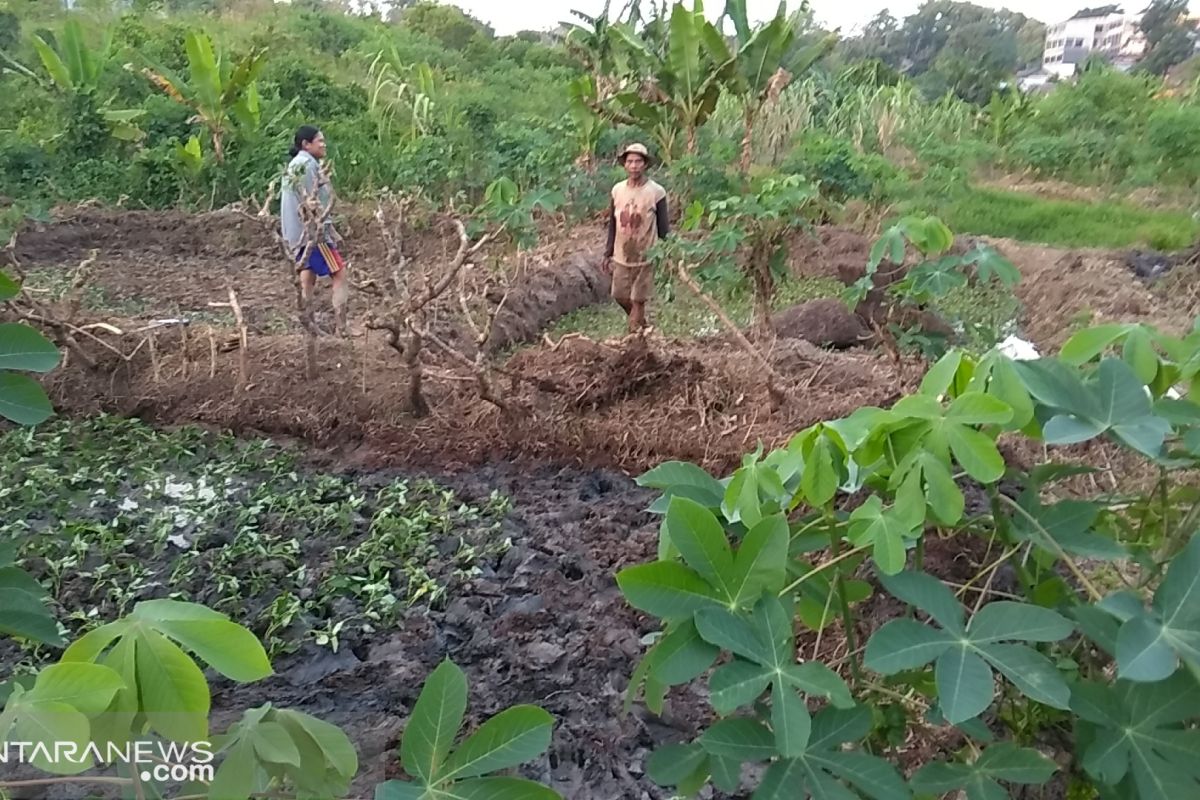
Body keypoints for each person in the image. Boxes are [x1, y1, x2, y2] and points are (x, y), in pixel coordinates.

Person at [280, 125, 349, 336]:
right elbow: (315, 203)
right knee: (340, 274)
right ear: (306, 144)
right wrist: (327, 232)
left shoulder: (294, 165)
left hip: (295, 233)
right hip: (313, 233)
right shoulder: (308, 166)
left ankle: (307, 326)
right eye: (319, 140)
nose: (323, 144)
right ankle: (342, 328)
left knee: (307, 275)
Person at [602, 143, 669, 333]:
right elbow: (613, 224)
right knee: (620, 296)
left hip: (646, 255)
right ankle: (642, 325)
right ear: (625, 165)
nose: (634, 166)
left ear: (645, 164)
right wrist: (607, 252)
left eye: (638, 161)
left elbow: (664, 227)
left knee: (638, 299)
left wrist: (666, 252)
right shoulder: (617, 191)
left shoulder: (656, 192)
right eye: (630, 161)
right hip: (622, 254)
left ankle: (633, 338)